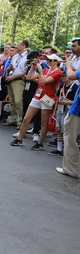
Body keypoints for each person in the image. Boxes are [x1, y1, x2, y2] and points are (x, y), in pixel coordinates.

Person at [10, 54, 63, 150]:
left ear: (56, 61)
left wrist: (39, 69)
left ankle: (40, 143)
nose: (48, 61)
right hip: (38, 96)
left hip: (48, 98)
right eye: (48, 59)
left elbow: (43, 81)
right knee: (26, 119)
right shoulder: (46, 70)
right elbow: (29, 77)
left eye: (51, 60)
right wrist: (33, 67)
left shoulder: (58, 72)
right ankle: (19, 139)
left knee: (43, 122)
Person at [57, 38, 80, 177]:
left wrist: (69, 64)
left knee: (70, 138)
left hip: (77, 109)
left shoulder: (73, 62)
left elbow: (71, 75)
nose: (72, 48)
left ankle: (70, 169)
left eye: (74, 46)